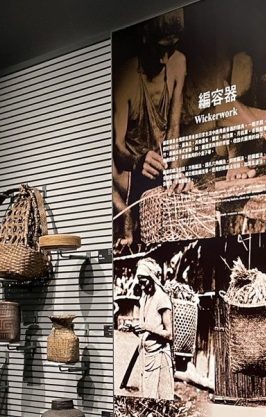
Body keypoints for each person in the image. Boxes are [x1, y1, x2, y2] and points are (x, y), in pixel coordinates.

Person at [113, 11, 187, 246]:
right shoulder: (126, 77)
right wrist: (139, 161)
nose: (165, 59)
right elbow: (117, 147)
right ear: (145, 37)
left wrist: (175, 172)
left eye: (171, 49)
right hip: (130, 174)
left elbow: (174, 128)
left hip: (158, 168)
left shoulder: (178, 63)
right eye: (160, 49)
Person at [130, 258, 175, 400]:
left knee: (162, 400)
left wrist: (147, 327)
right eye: (140, 283)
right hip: (147, 357)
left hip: (160, 358)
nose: (142, 287)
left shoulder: (162, 298)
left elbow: (170, 334)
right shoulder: (144, 298)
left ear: (153, 278)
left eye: (144, 282)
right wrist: (133, 328)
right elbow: (144, 331)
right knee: (147, 399)